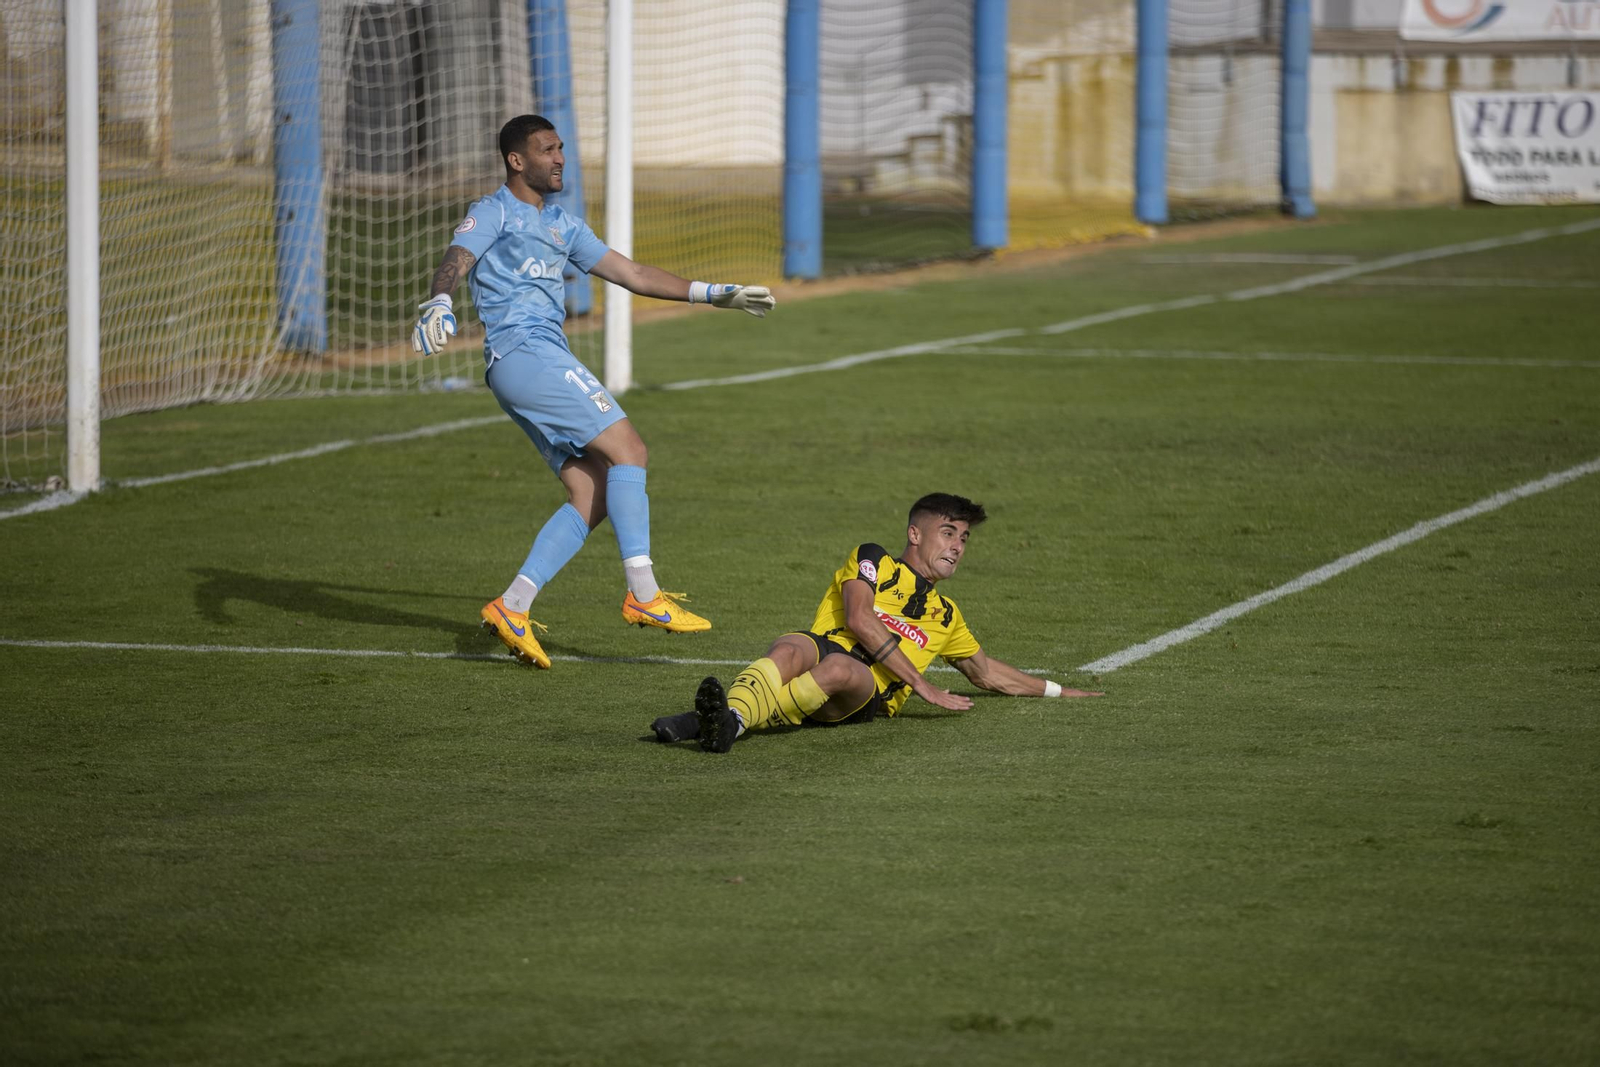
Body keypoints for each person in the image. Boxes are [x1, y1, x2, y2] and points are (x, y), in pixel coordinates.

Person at [413, 114, 775, 668]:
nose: (560, 158)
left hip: (530, 364)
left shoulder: (561, 224)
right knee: (631, 450)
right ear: (517, 160)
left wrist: (712, 292)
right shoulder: (493, 212)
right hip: (525, 354)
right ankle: (645, 595)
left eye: (561, 148)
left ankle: (513, 605)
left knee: (595, 490)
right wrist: (441, 300)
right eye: (547, 149)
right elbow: (455, 261)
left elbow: (632, 274)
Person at [651, 493, 1102, 752]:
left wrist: (1060, 690)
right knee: (789, 648)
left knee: (841, 670)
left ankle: (717, 720)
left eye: (963, 539)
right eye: (948, 534)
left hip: (866, 693)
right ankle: (725, 724)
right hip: (827, 645)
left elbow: (986, 674)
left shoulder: (948, 616)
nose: (958, 547)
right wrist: (923, 686)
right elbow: (859, 619)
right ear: (915, 534)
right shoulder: (874, 559)